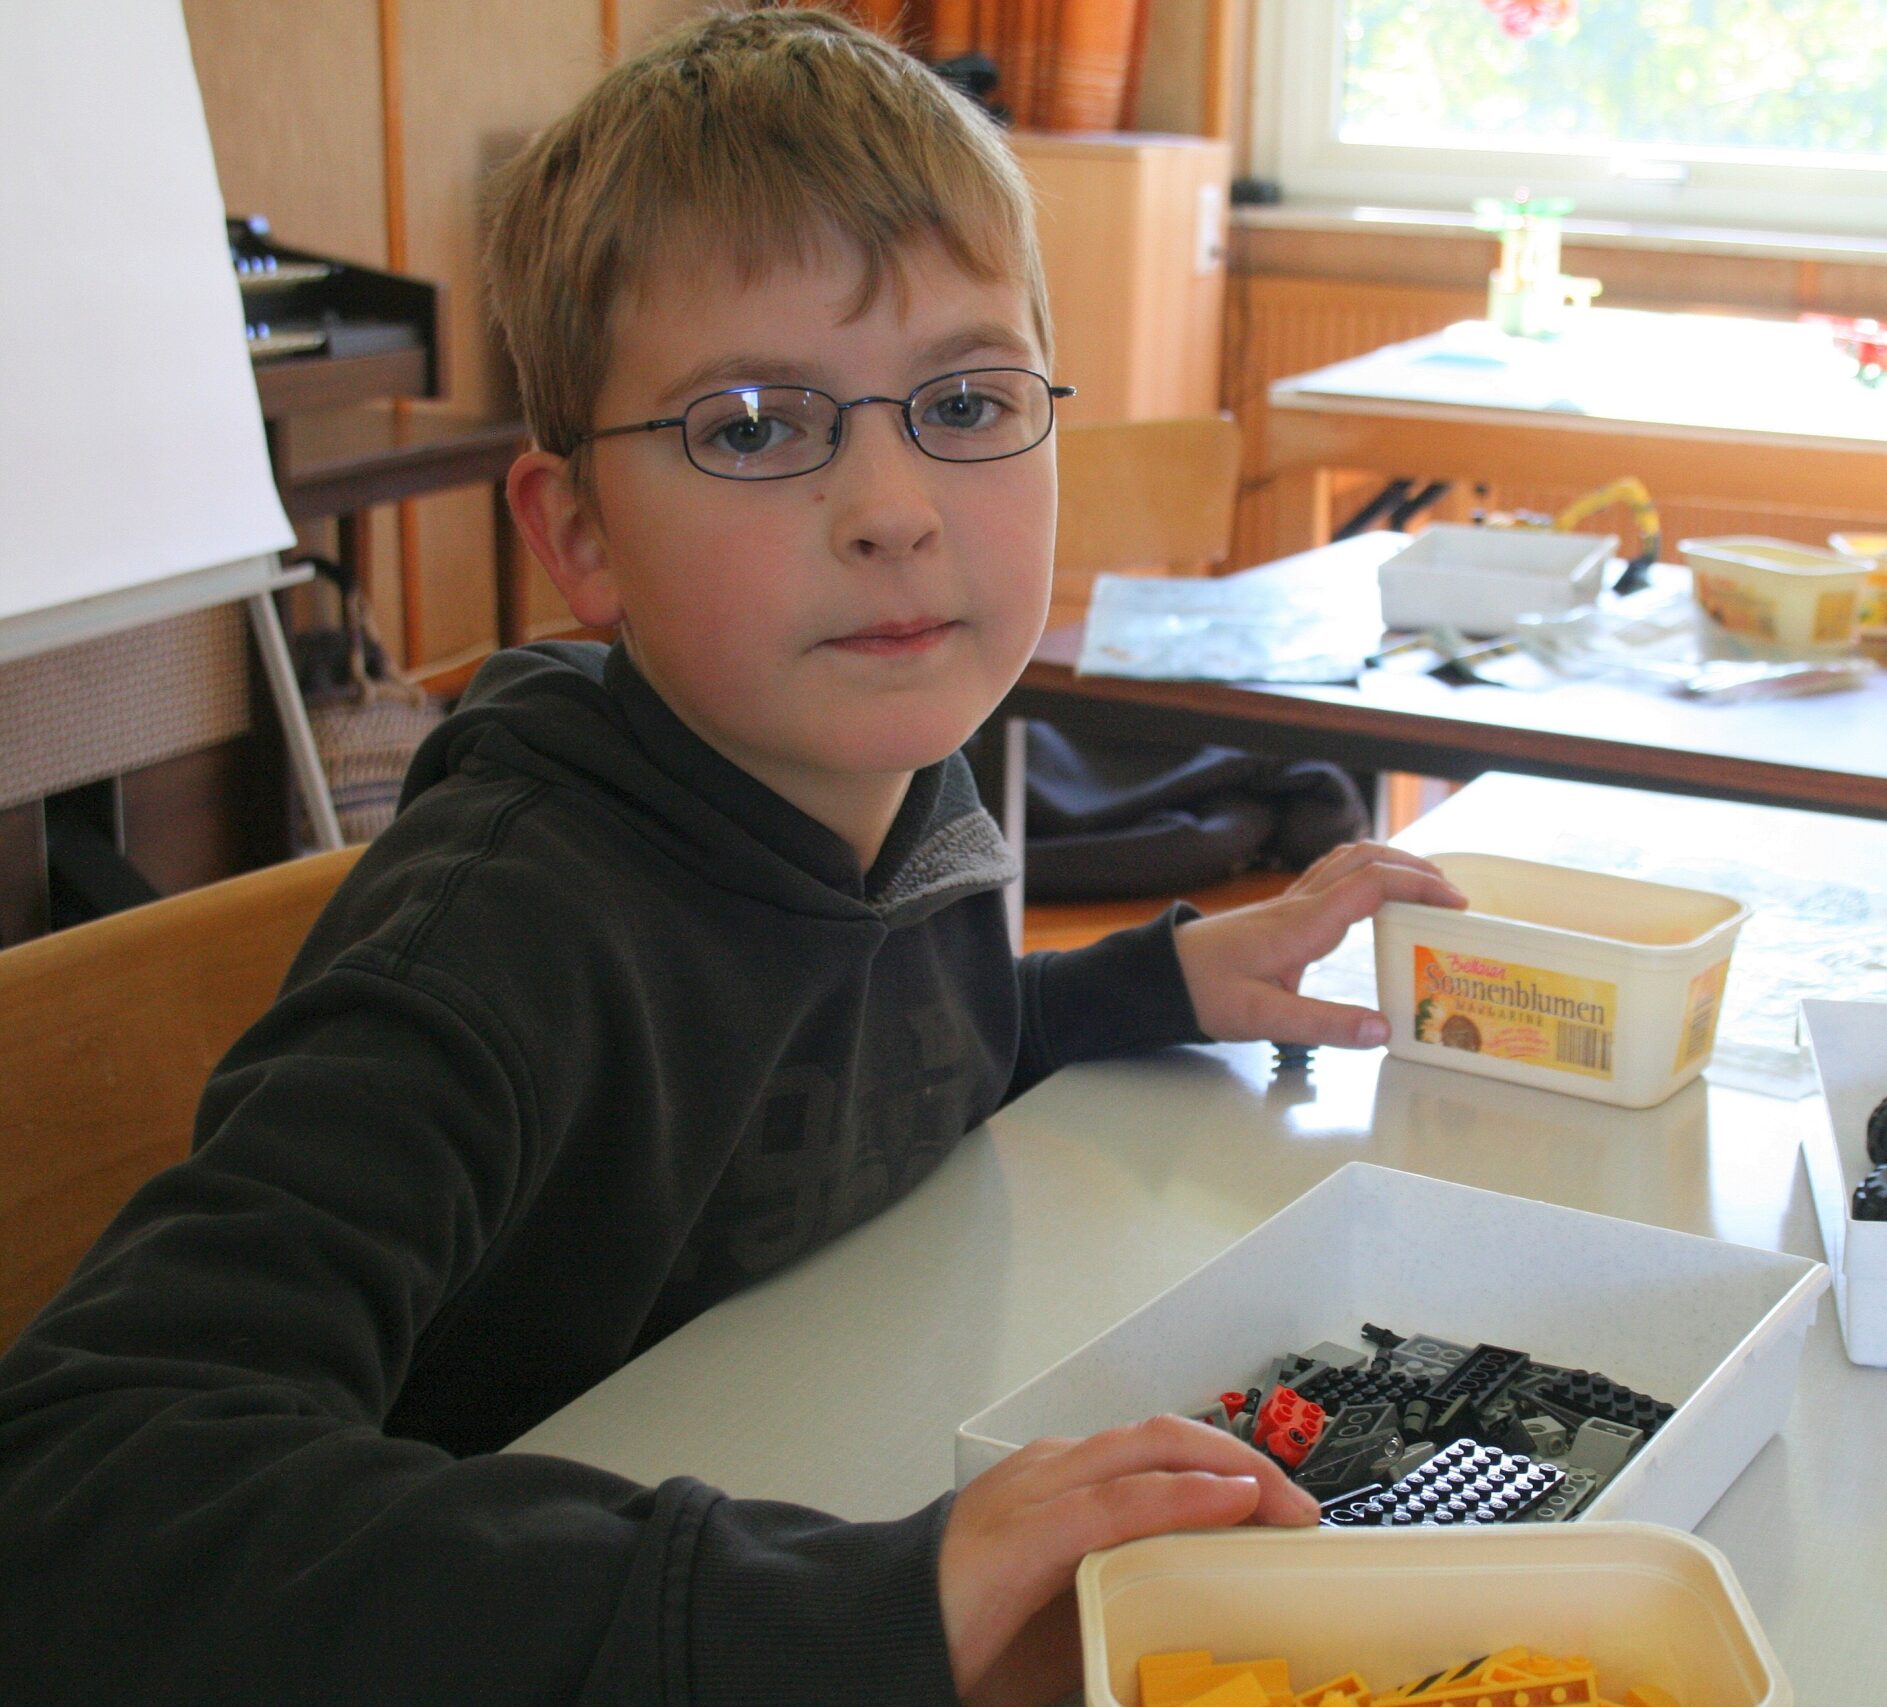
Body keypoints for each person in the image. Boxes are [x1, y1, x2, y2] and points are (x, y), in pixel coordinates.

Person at [0, 11, 1464, 1704]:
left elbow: (856, 1046)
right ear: (579, 538)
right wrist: (857, 1602)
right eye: (757, 428)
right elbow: (71, 1497)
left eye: (967, 400)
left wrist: (1145, 981)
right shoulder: (496, 944)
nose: (893, 502)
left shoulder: (896, 784)